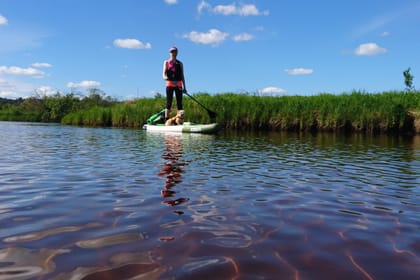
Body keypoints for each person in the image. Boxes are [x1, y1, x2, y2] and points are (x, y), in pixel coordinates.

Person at [162, 46, 187, 122]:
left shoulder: (180, 63)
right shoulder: (166, 62)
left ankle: (179, 120)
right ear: (170, 53)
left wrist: (185, 87)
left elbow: (182, 75)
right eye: (172, 52)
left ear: (177, 53)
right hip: (170, 84)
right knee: (169, 102)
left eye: (174, 52)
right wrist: (166, 78)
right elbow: (163, 74)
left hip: (179, 85)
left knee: (179, 103)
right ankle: (166, 120)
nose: (173, 53)